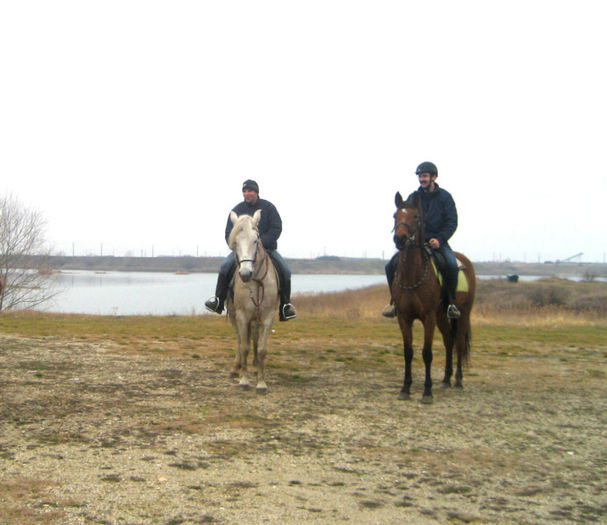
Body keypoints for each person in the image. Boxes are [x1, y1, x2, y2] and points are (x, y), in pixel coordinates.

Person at [205, 179, 297, 321]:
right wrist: (235, 246)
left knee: (285, 271)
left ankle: (285, 306)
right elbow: (229, 232)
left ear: (256, 192)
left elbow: (276, 228)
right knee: (224, 268)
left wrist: (261, 243)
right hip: (243, 253)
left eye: (250, 191)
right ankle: (218, 300)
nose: (247, 194)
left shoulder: (269, 208)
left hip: (268, 250)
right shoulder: (237, 210)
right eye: (245, 191)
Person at [382, 161, 461, 319]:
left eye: (424, 176)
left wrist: (439, 239)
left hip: (438, 241)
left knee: (452, 266)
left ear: (434, 177)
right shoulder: (413, 197)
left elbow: (452, 221)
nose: (422, 179)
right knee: (390, 266)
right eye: (420, 176)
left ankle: (451, 304)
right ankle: (394, 303)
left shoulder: (445, 197)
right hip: (416, 242)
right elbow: (408, 219)